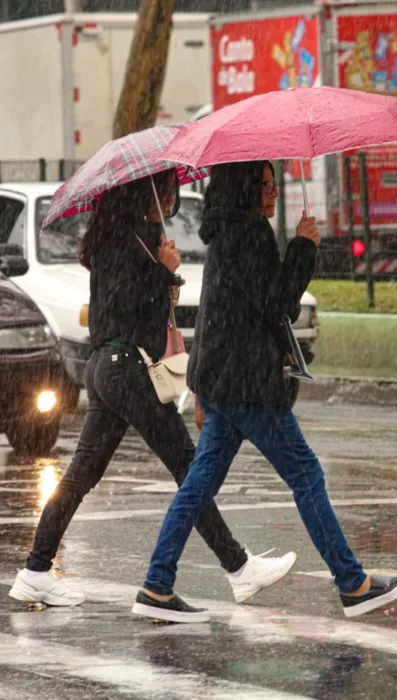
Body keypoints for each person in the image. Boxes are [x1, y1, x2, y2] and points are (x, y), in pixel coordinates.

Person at [132, 161, 397, 623]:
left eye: (275, 184)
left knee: (198, 485)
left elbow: (222, 310)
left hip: (224, 380)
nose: (274, 194)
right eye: (265, 186)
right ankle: (353, 584)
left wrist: (204, 387)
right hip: (247, 383)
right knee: (305, 473)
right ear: (245, 188)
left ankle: (157, 584)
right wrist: (303, 247)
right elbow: (278, 304)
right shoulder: (249, 234)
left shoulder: (225, 232)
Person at [9, 168, 296, 618]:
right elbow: (124, 302)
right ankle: (235, 569)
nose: (170, 199)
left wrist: (165, 284)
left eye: (172, 190)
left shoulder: (122, 236)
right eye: (164, 190)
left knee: (83, 475)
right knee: (188, 465)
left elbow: (129, 303)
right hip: (126, 368)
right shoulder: (127, 238)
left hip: (109, 368)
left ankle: (35, 570)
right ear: (142, 193)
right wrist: (162, 273)